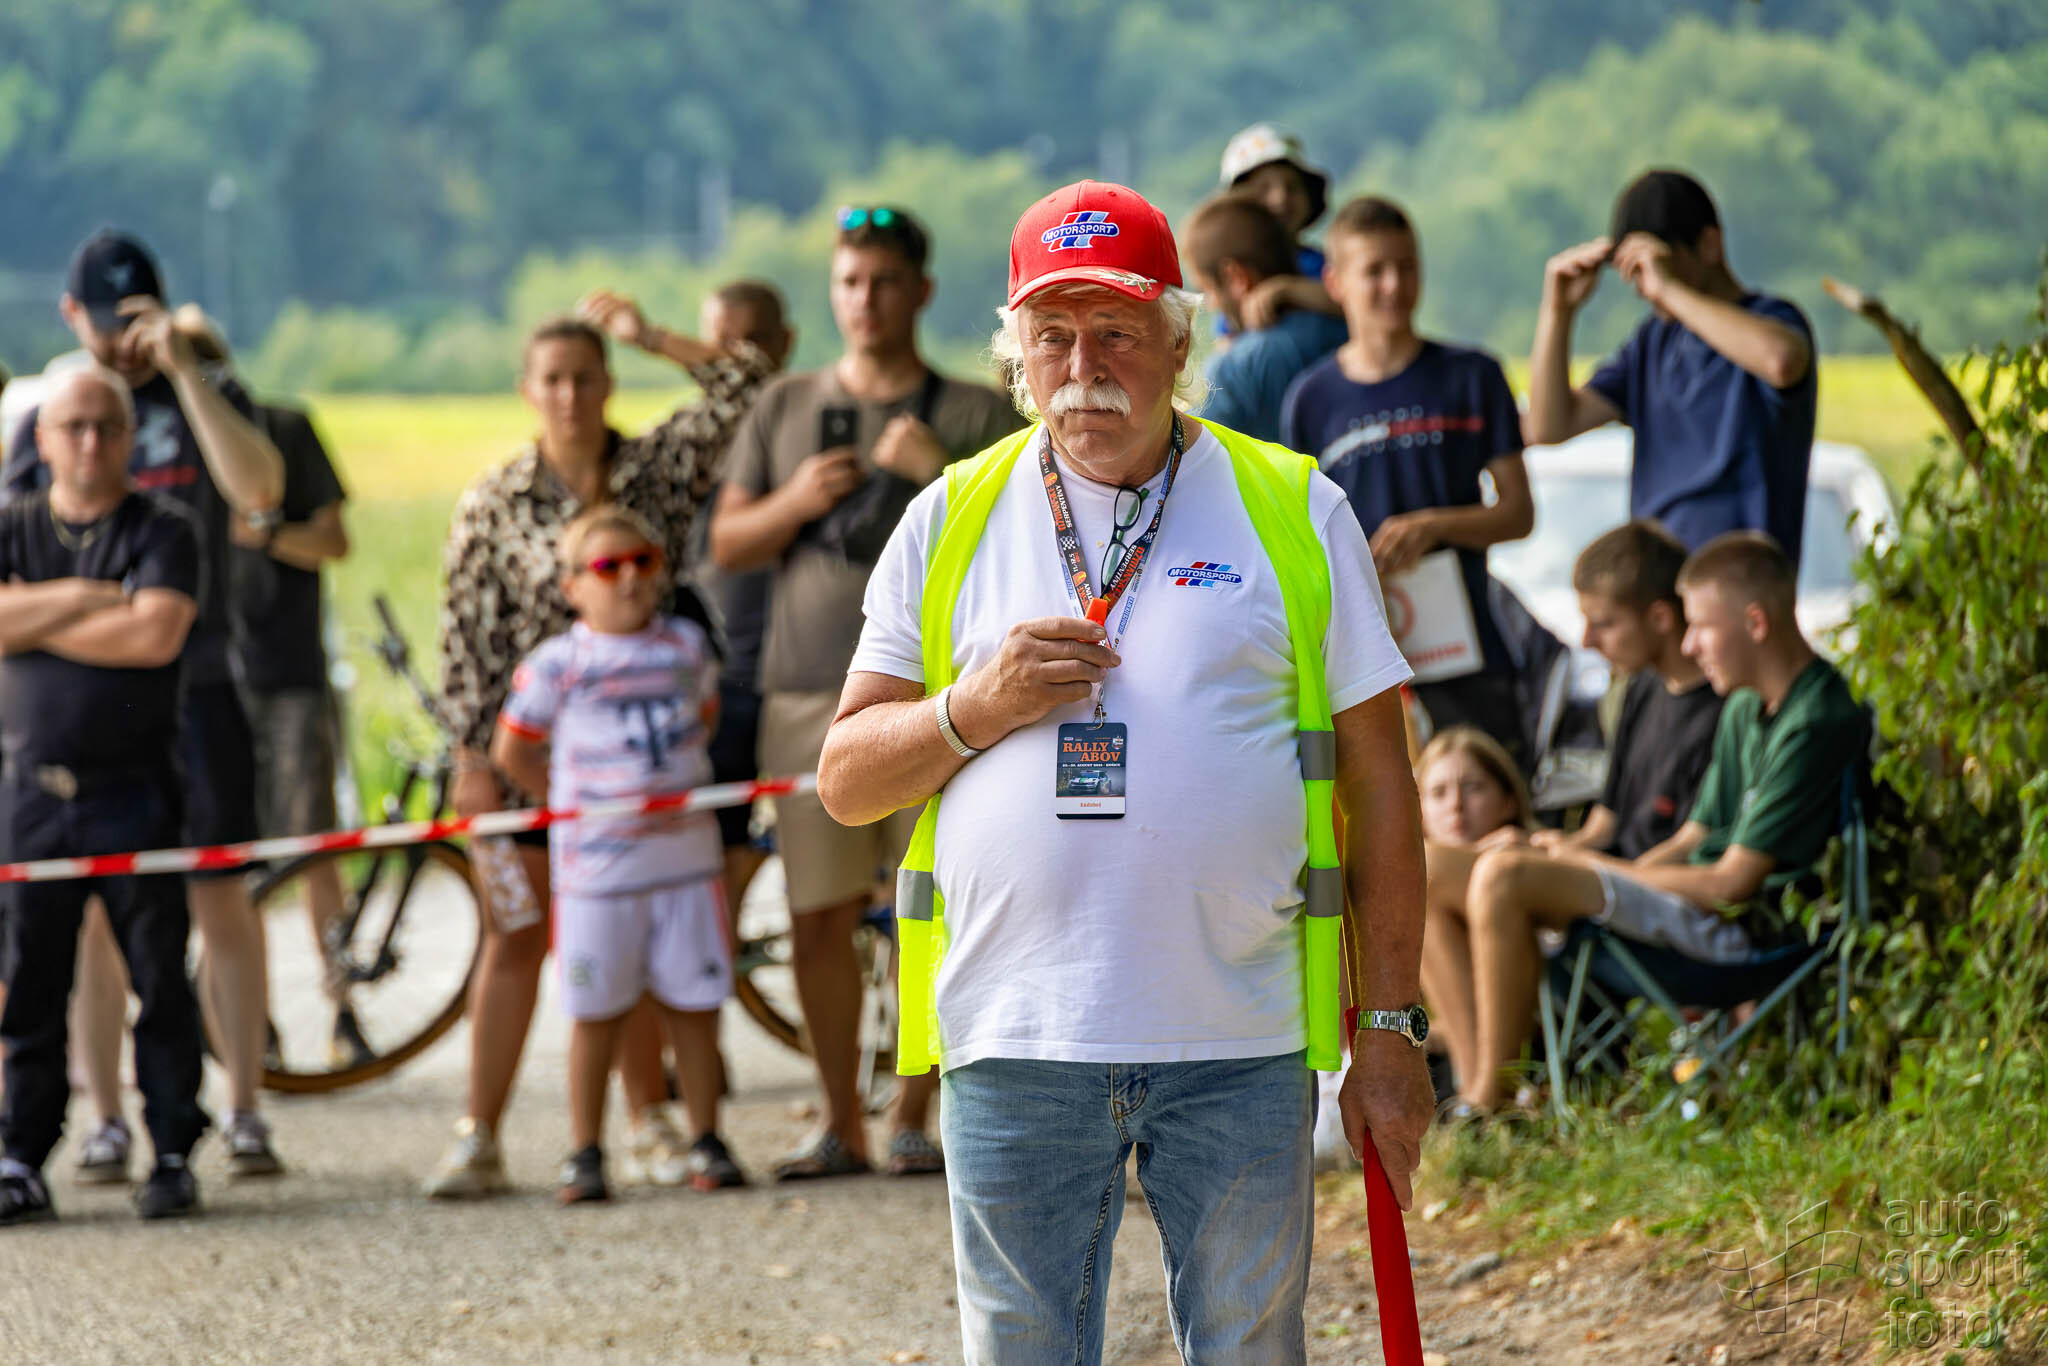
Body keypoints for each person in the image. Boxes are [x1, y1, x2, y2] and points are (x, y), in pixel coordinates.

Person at [815, 179, 1433, 1363]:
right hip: (1015, 1037)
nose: (1081, 366)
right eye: (1051, 335)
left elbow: (1379, 782)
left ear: (1178, 340)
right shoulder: (948, 518)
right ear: (1015, 354)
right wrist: (970, 708)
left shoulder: (1294, 508)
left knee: (1250, 1349)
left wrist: (1393, 1030)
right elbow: (846, 778)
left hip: (1240, 1038)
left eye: (1114, 331)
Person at [429, 303, 773, 1198]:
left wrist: (652, 334)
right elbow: (464, 635)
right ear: (527, 390)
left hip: (641, 768)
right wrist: (472, 758)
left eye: (586, 377)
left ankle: (650, 1120)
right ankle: (479, 1135)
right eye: (553, 380)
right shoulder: (494, 501)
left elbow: (746, 384)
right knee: (516, 936)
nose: (570, 396)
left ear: (608, 382)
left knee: (644, 941)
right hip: (526, 756)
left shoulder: (656, 466)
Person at [709, 205, 1022, 1180]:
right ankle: (839, 1119)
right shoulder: (783, 407)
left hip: (942, 701)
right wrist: (798, 499)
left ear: (921, 291)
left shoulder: (972, 413)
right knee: (817, 912)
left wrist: (939, 476)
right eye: (850, 282)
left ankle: (914, 1113)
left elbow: (1032, 537)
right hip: (807, 695)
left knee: (931, 906)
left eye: (885, 282)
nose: (866, 301)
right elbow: (726, 543)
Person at [3, 230, 288, 1177]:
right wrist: (95, 606)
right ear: (71, 317)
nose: (122, 341)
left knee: (217, 895)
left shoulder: (204, 388)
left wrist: (185, 372)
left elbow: (260, 491)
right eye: (106, 322)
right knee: (88, 914)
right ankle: (106, 1115)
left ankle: (243, 1105)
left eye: (138, 319)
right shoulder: (54, 412)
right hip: (80, 702)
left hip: (198, 682)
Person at [1427, 532, 1867, 1114]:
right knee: (1429, 869)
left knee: (1505, 876)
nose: (1689, 643)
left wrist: (1588, 868)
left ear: (1755, 623)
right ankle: (1477, 1084)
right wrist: (1576, 863)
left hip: (1742, 932)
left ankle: (1488, 1103)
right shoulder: (1744, 706)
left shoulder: (1815, 719)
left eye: (1701, 626)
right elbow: (1691, 839)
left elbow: (1732, 884)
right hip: (1687, 906)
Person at [0, 364, 211, 1224]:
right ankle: (21, 1153)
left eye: (107, 427)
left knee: (159, 978)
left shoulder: (165, 529)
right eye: (73, 427)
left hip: (136, 791)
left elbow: (155, 634)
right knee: (31, 982)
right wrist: (88, 598)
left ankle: (172, 1149)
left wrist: (31, 616)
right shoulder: (12, 527)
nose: (90, 443)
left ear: (129, 439)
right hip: (33, 796)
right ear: (43, 440)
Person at [492, 507, 745, 1204]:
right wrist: (573, 801)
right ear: (573, 586)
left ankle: (708, 1137)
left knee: (695, 1004)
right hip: (598, 875)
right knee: (596, 1009)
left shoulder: (687, 647)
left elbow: (704, 717)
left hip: (686, 865)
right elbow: (513, 749)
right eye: (607, 567)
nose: (628, 578)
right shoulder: (557, 664)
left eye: (643, 561)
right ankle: (585, 1149)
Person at [1280, 196, 1536, 767]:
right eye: (1375, 270)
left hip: (1468, 653)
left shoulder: (1474, 375)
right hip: (1362, 657)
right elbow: (1300, 540)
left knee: (1486, 805)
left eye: (1407, 266)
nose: (1394, 285)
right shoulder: (1310, 400)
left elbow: (1519, 514)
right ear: (1336, 282)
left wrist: (1433, 526)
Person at [1526, 169, 1818, 563]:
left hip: (1742, 581)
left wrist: (1669, 288)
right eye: (1636, 272)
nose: (1645, 288)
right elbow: (1549, 426)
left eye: (1656, 265)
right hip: (1657, 580)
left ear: (1710, 244)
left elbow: (1781, 361)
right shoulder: (1653, 344)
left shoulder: (1771, 319)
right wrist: (1558, 312)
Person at [690, 282, 796, 910]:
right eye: (719, 344)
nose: (734, 361)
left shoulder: (804, 422)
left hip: (797, 674)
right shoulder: (692, 439)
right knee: (716, 845)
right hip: (722, 673)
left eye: (750, 342)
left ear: (785, 343)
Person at [1534, 520, 1723, 862]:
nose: (1586, 641)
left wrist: (1571, 870)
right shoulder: (1640, 686)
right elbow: (1602, 827)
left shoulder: (1723, 709)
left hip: (1656, 882)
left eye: (1604, 624)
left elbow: (1688, 851)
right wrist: (1543, 850)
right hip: (1614, 873)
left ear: (1660, 618)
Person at [1183, 193, 1347, 442]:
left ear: (1236, 278)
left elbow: (1189, 452)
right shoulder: (1350, 328)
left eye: (1207, 290)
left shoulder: (1233, 370)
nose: (1210, 304)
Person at [1215, 124, 1341, 333]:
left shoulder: (1321, 264)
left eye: (1292, 187)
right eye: (1264, 189)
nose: (1281, 197)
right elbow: (1228, 338)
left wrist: (1287, 290)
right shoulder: (1236, 275)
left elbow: (1348, 302)